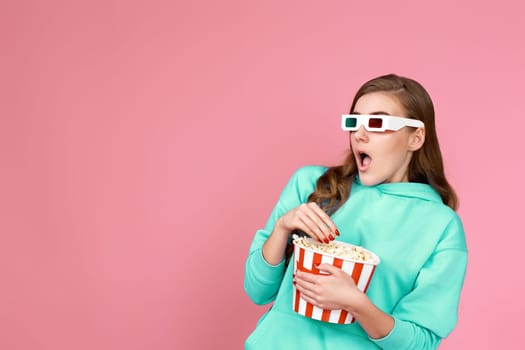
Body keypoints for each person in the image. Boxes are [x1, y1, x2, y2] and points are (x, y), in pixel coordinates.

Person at [243, 74, 468, 349]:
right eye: (354, 122)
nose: (360, 134)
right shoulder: (312, 185)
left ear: (416, 137)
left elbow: (420, 343)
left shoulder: (441, 226)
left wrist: (356, 304)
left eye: (377, 123)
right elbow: (257, 291)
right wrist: (282, 228)